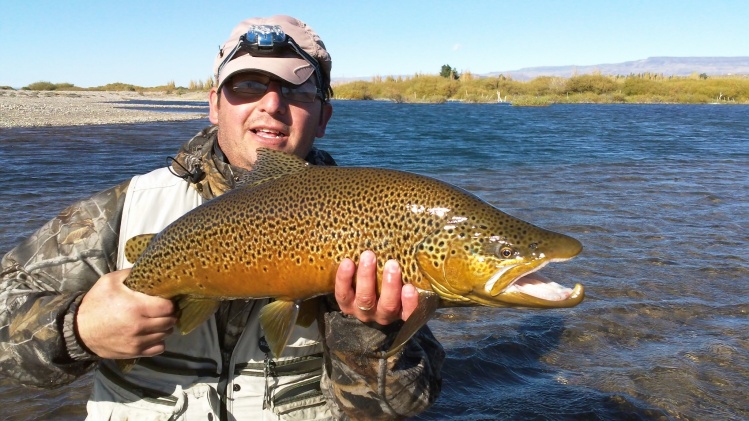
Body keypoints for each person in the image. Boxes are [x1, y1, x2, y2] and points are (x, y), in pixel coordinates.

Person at [0, 15, 444, 420]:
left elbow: (394, 409)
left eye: (296, 91)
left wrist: (365, 333)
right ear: (214, 104)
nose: (272, 104)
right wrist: (78, 328)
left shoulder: (374, 220)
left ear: (324, 116)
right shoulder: (120, 210)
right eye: (247, 86)